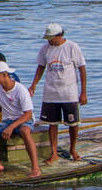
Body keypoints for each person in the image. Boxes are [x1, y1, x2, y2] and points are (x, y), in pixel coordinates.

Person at [29, 23, 87, 163]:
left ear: (59, 35)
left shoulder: (72, 47)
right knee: (52, 122)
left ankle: (73, 149)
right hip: (51, 91)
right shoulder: (45, 49)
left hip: (69, 92)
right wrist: (34, 84)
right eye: (48, 38)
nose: (49, 41)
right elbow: (41, 67)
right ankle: (54, 152)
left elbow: (82, 69)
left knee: (72, 123)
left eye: (52, 38)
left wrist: (83, 92)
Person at [0, 61, 41, 177]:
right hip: (7, 120)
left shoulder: (20, 90)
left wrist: (12, 127)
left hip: (23, 119)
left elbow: (28, 114)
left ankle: (35, 167)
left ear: (4, 75)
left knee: (24, 131)